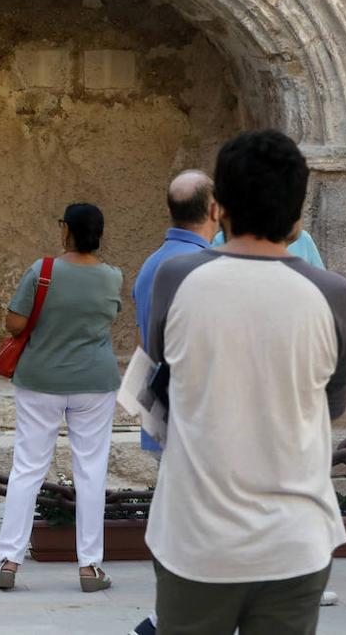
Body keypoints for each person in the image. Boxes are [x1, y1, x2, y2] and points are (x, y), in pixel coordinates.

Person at [145, 130, 346, 635]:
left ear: (218, 209)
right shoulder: (332, 293)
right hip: (295, 537)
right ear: (298, 215)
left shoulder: (175, 278)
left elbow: (158, 378)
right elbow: (334, 404)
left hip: (196, 537)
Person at [0, 203, 122, 593]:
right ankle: (89, 567)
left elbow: (14, 322)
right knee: (91, 471)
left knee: (28, 468)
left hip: (41, 378)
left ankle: (10, 560)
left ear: (65, 228)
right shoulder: (112, 277)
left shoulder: (42, 271)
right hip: (95, 381)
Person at [126, 171, 219, 635]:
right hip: (199, 414)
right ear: (215, 208)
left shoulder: (152, 263)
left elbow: (148, 341)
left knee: (179, 518)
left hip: (164, 406)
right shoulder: (203, 266)